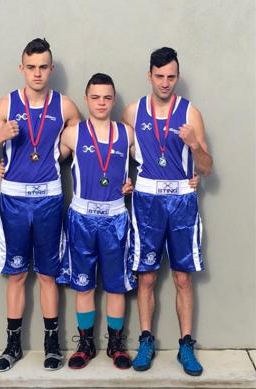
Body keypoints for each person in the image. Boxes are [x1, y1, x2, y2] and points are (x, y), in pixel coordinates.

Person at [0, 38, 80, 372]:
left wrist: (56, 156)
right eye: (31, 67)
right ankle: (13, 346)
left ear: (51, 69)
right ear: (22, 68)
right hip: (14, 200)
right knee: (17, 275)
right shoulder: (5, 105)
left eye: (43, 67)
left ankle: (51, 346)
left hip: (49, 198)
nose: (37, 73)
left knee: (49, 275)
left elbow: (82, 140)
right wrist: (0, 138)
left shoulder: (64, 106)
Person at [122, 47, 213, 375]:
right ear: (149, 75)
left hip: (181, 202)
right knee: (145, 276)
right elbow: (116, 149)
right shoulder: (133, 111)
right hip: (146, 202)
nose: (164, 82)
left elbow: (207, 166)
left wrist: (194, 145)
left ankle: (186, 344)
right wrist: (123, 183)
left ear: (178, 76)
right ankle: (146, 339)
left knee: (182, 277)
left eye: (171, 76)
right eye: (159, 76)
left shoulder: (191, 114)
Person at [57, 73, 136, 370]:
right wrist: (7, 166)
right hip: (82, 219)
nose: (101, 102)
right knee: (84, 286)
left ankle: (116, 345)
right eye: (95, 97)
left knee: (116, 287)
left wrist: (189, 175)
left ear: (113, 99)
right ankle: (86, 344)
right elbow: (44, 163)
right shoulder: (73, 133)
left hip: (115, 218)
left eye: (107, 97)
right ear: (86, 98)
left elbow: (154, 162)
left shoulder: (127, 133)